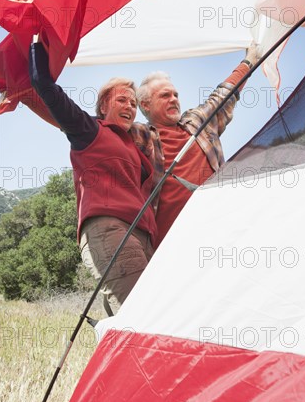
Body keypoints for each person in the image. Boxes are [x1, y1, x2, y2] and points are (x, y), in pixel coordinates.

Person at [29, 37, 157, 315]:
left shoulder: (135, 148)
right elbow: (44, 85)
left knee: (133, 322)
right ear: (102, 107)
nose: (129, 106)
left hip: (145, 238)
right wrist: (36, 41)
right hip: (109, 230)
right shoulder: (88, 129)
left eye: (134, 103)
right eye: (121, 100)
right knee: (144, 316)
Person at [132, 44, 259, 248]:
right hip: (172, 245)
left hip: (221, 228)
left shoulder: (197, 122)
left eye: (175, 95)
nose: (174, 99)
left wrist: (249, 61)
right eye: (165, 96)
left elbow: (224, 94)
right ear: (145, 105)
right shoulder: (139, 136)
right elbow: (99, 130)